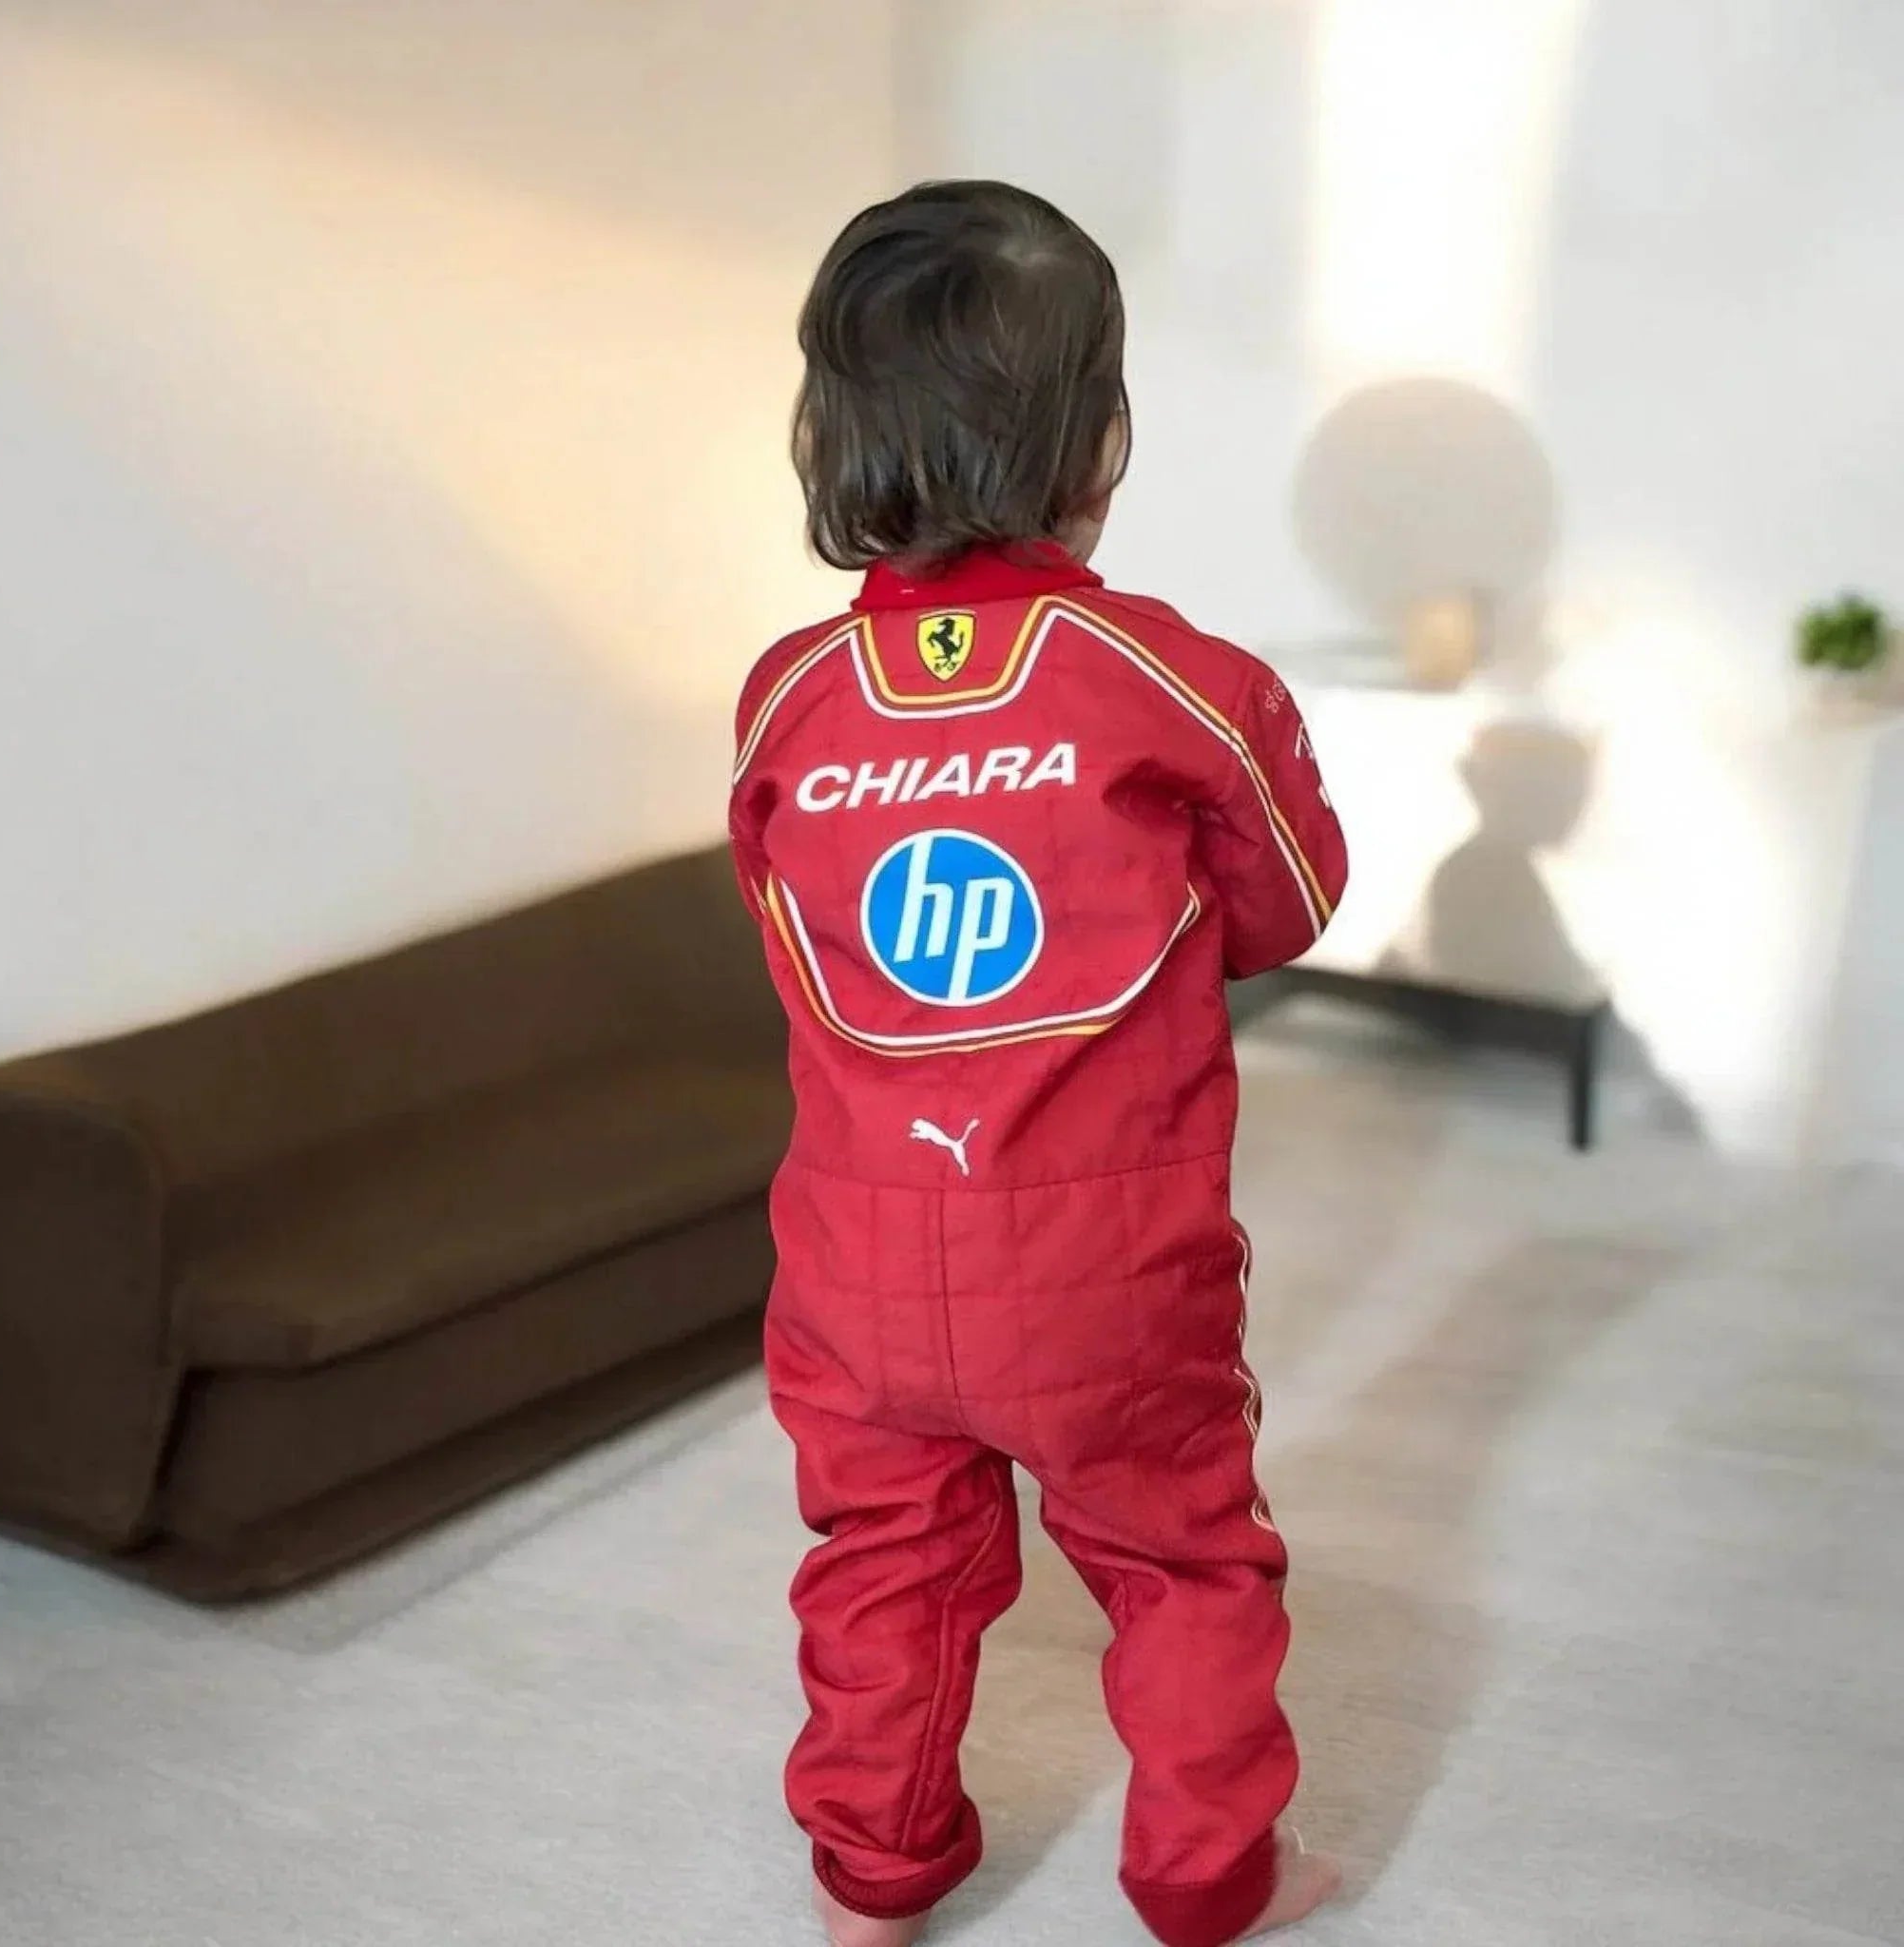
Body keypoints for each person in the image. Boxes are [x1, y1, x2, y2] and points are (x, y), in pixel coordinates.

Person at [729, 180, 1348, 1947]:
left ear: (833, 434)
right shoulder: (1180, 684)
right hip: (1104, 1266)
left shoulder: (787, 699)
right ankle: (1210, 1881)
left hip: (852, 1261)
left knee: (882, 1566)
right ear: (1105, 438)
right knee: (1184, 1559)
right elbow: (1288, 905)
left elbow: (803, 947)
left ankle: (869, 1886)